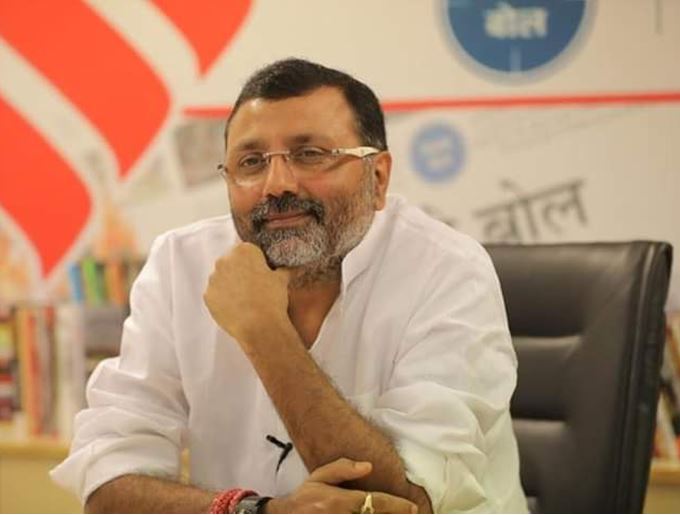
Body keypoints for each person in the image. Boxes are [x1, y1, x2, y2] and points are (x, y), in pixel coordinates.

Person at [51, 58, 527, 513]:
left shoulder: (447, 270)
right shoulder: (180, 264)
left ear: (378, 178)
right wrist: (256, 511)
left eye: (310, 155)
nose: (276, 184)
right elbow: (106, 486)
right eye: (251, 162)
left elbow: (406, 503)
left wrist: (265, 333)